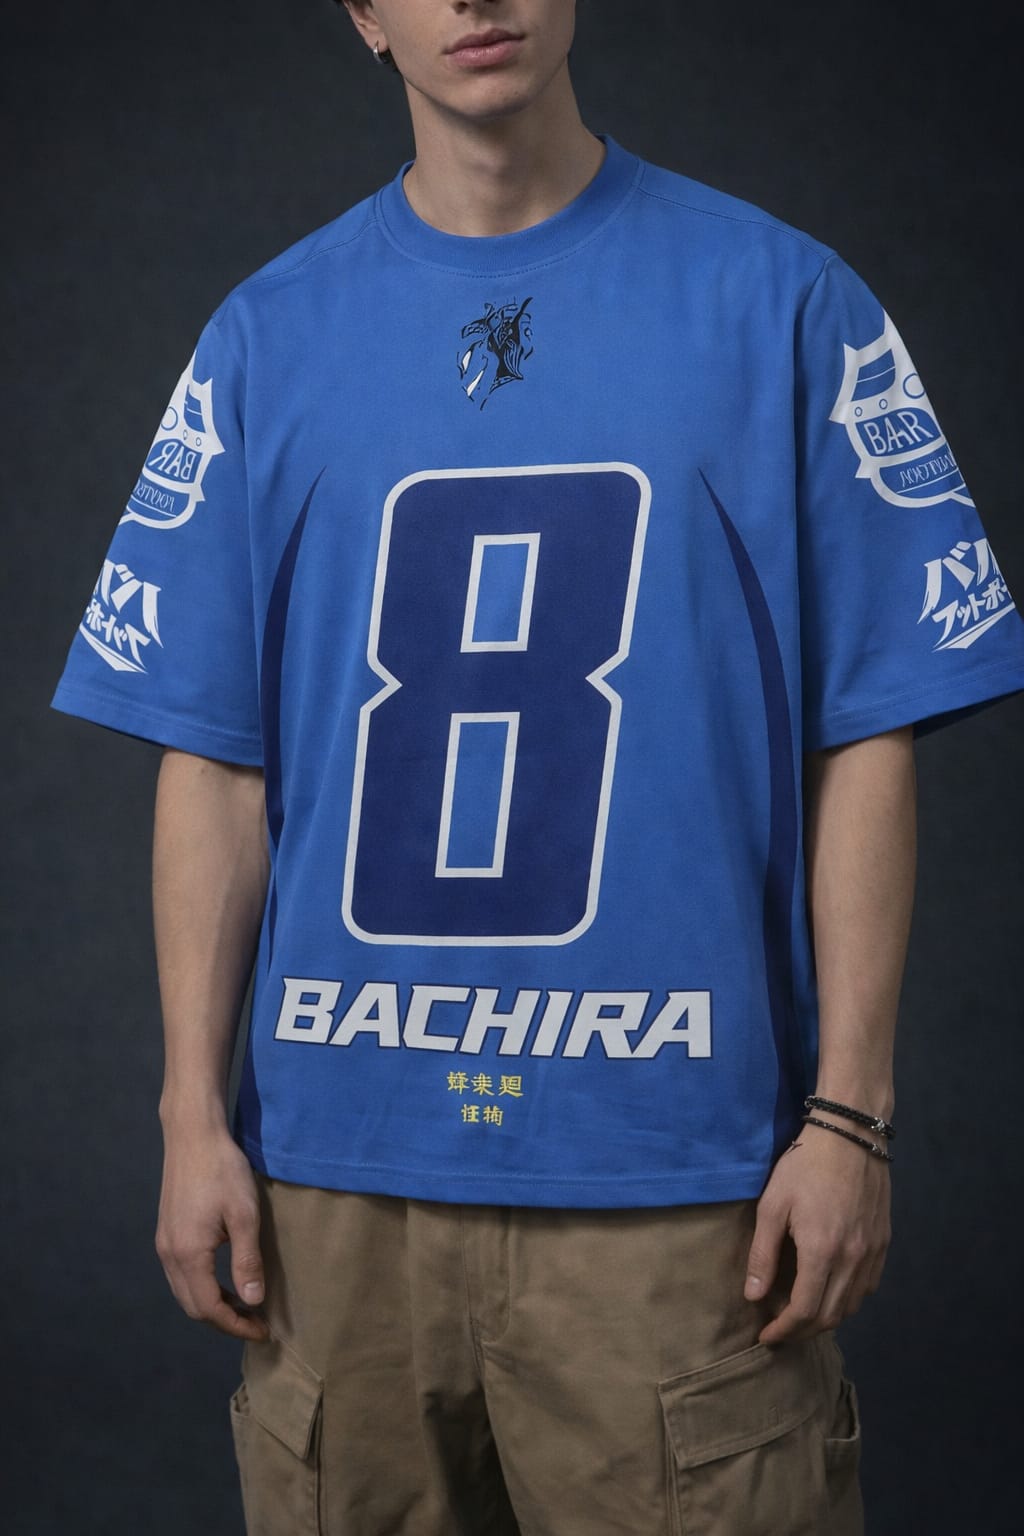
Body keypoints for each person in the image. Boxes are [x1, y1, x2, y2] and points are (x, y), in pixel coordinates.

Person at [50, 2, 1024, 1532]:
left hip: (672, 1185)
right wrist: (190, 1119)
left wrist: (851, 1118)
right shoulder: (264, 338)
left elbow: (866, 733)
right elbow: (215, 760)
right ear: (364, 17)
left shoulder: (784, 306)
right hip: (338, 1187)